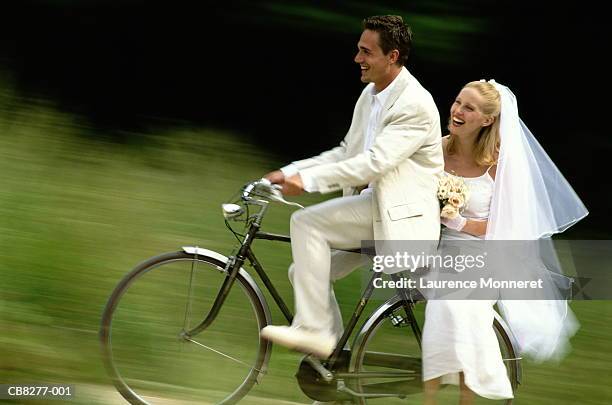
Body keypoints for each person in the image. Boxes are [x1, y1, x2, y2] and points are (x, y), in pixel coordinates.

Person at [260, 15, 444, 359]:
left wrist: (310, 182)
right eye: (359, 50)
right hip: (374, 210)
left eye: (366, 51)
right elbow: (347, 152)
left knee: (306, 223)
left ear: (392, 56)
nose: (357, 58)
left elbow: (374, 162)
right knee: (304, 270)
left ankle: (314, 331)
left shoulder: (414, 104)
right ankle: (333, 361)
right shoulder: (371, 95)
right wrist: (289, 172)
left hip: (398, 219)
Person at [422, 80, 588, 404]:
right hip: (441, 249)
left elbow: (512, 224)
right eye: (457, 102)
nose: (457, 111)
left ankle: (470, 395)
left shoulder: (499, 163)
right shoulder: (439, 149)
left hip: (485, 254)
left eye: (468, 107)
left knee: (458, 310)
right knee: (443, 314)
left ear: (487, 119)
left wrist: (459, 221)